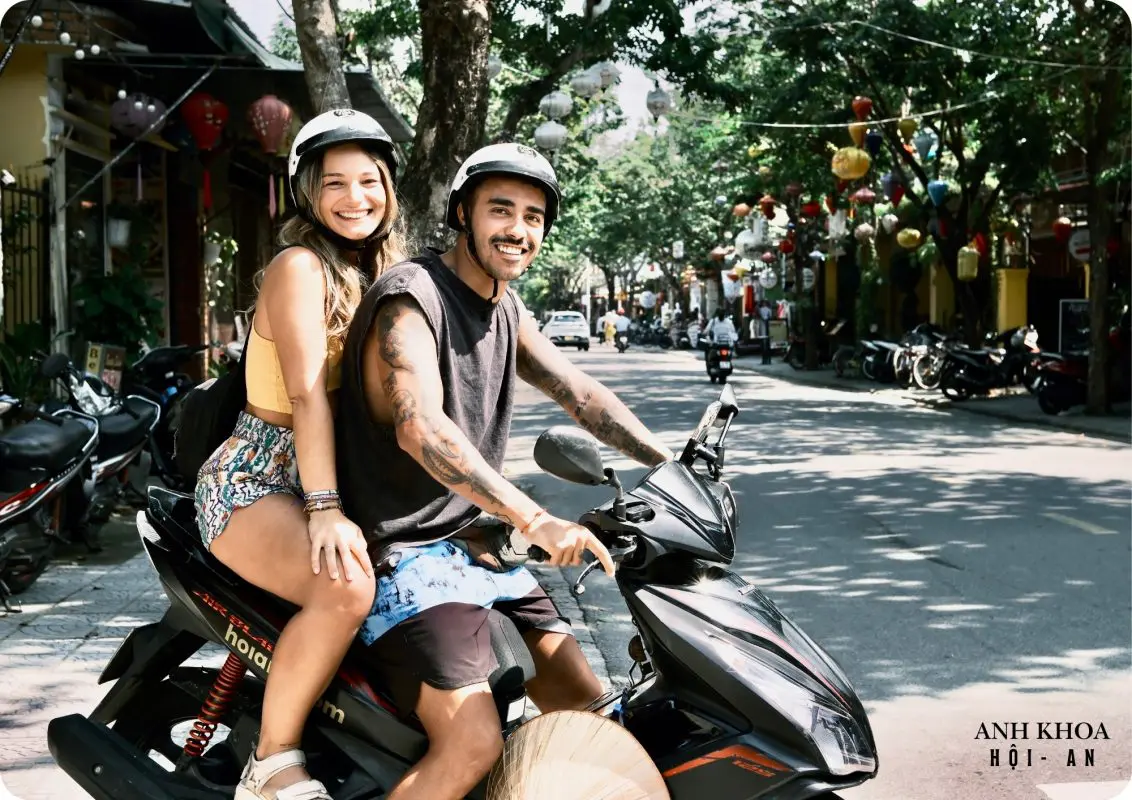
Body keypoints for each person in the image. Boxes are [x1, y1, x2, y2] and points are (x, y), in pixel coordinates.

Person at [334, 143, 674, 800]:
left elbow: (580, 394)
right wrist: (533, 516)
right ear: (463, 213)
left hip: (475, 555)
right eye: (501, 210)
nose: (518, 230)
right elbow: (420, 427)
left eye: (533, 216)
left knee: (593, 710)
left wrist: (671, 464)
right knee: (473, 743)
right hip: (402, 558)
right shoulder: (413, 298)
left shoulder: (506, 306)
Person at [194, 109, 407, 800]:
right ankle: (271, 761)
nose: (355, 198)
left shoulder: (378, 268)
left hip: (331, 475)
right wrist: (323, 508)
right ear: (307, 193)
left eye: (369, 181)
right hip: (256, 478)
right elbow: (309, 396)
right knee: (344, 585)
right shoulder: (299, 265)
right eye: (335, 183)